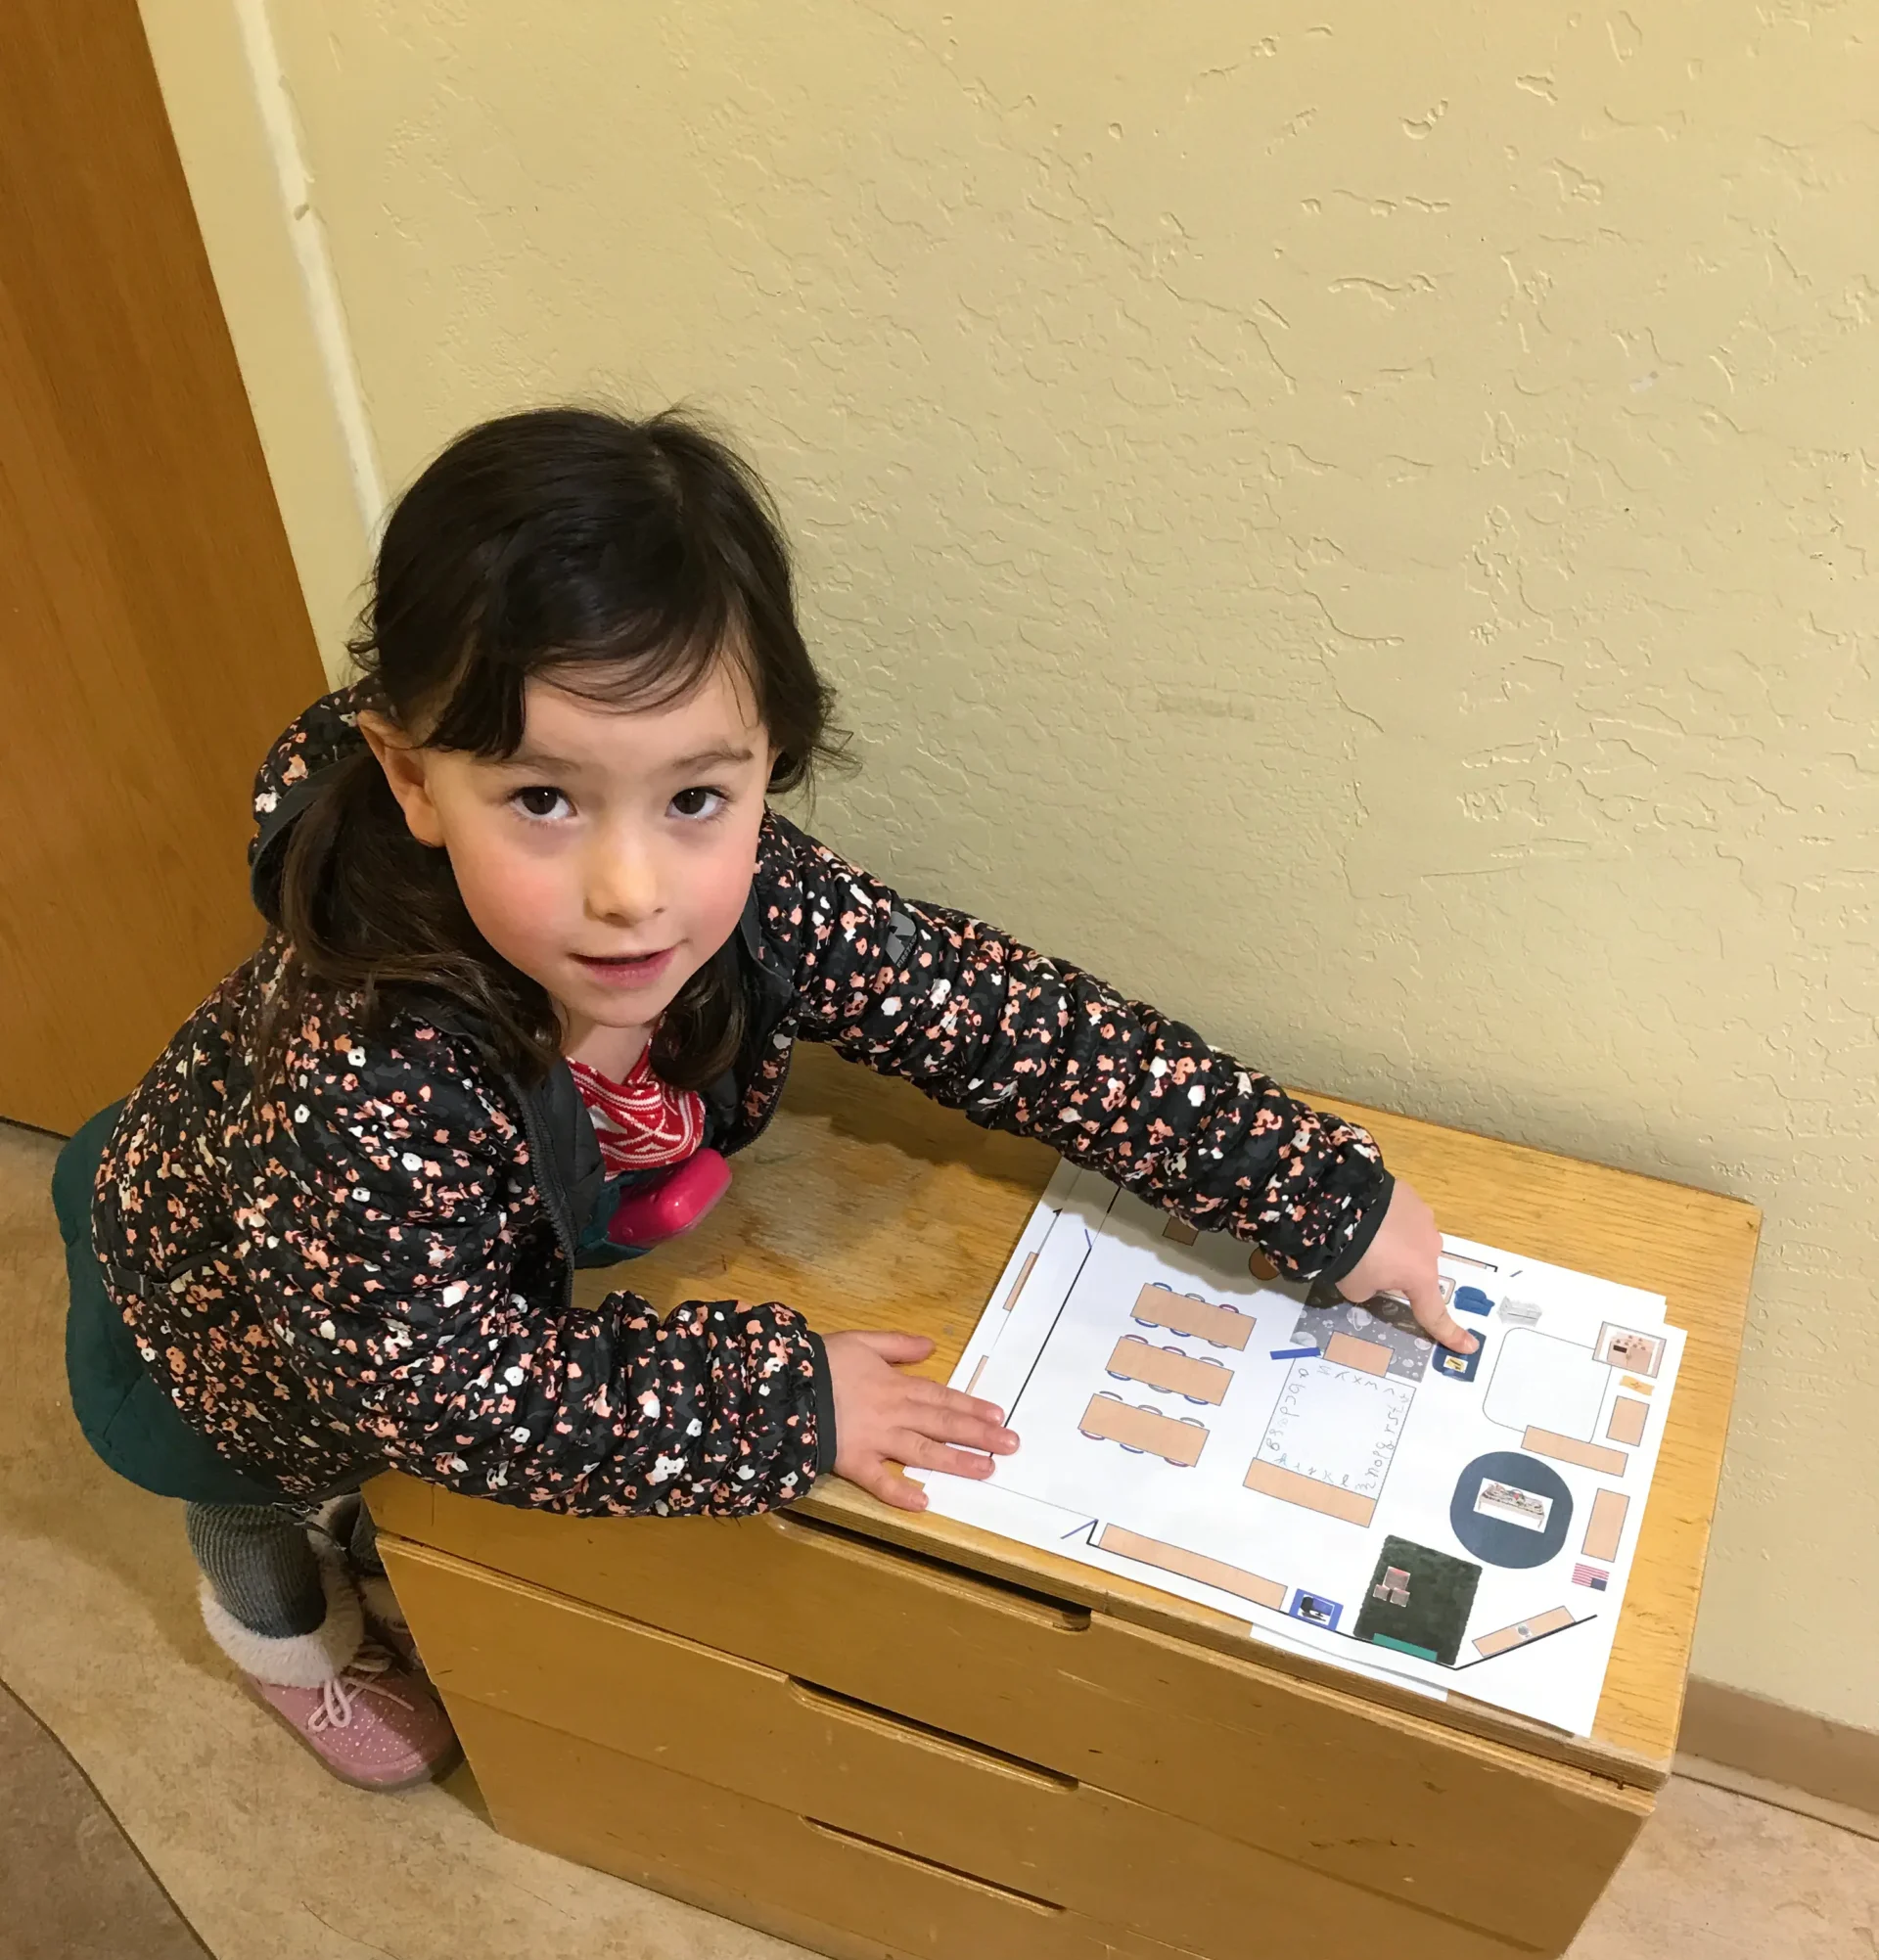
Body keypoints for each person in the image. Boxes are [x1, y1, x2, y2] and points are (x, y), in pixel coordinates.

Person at [55, 407, 1472, 1794]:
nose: (633, 891)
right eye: (543, 799)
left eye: (696, 799)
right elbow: (444, 1394)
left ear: (763, 768)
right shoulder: (358, 1074)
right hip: (215, 1317)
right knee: (254, 1490)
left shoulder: (746, 899)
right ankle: (285, 1645)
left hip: (422, 1285)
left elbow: (995, 1015)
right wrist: (781, 1402)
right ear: (415, 781)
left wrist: (1306, 1186)